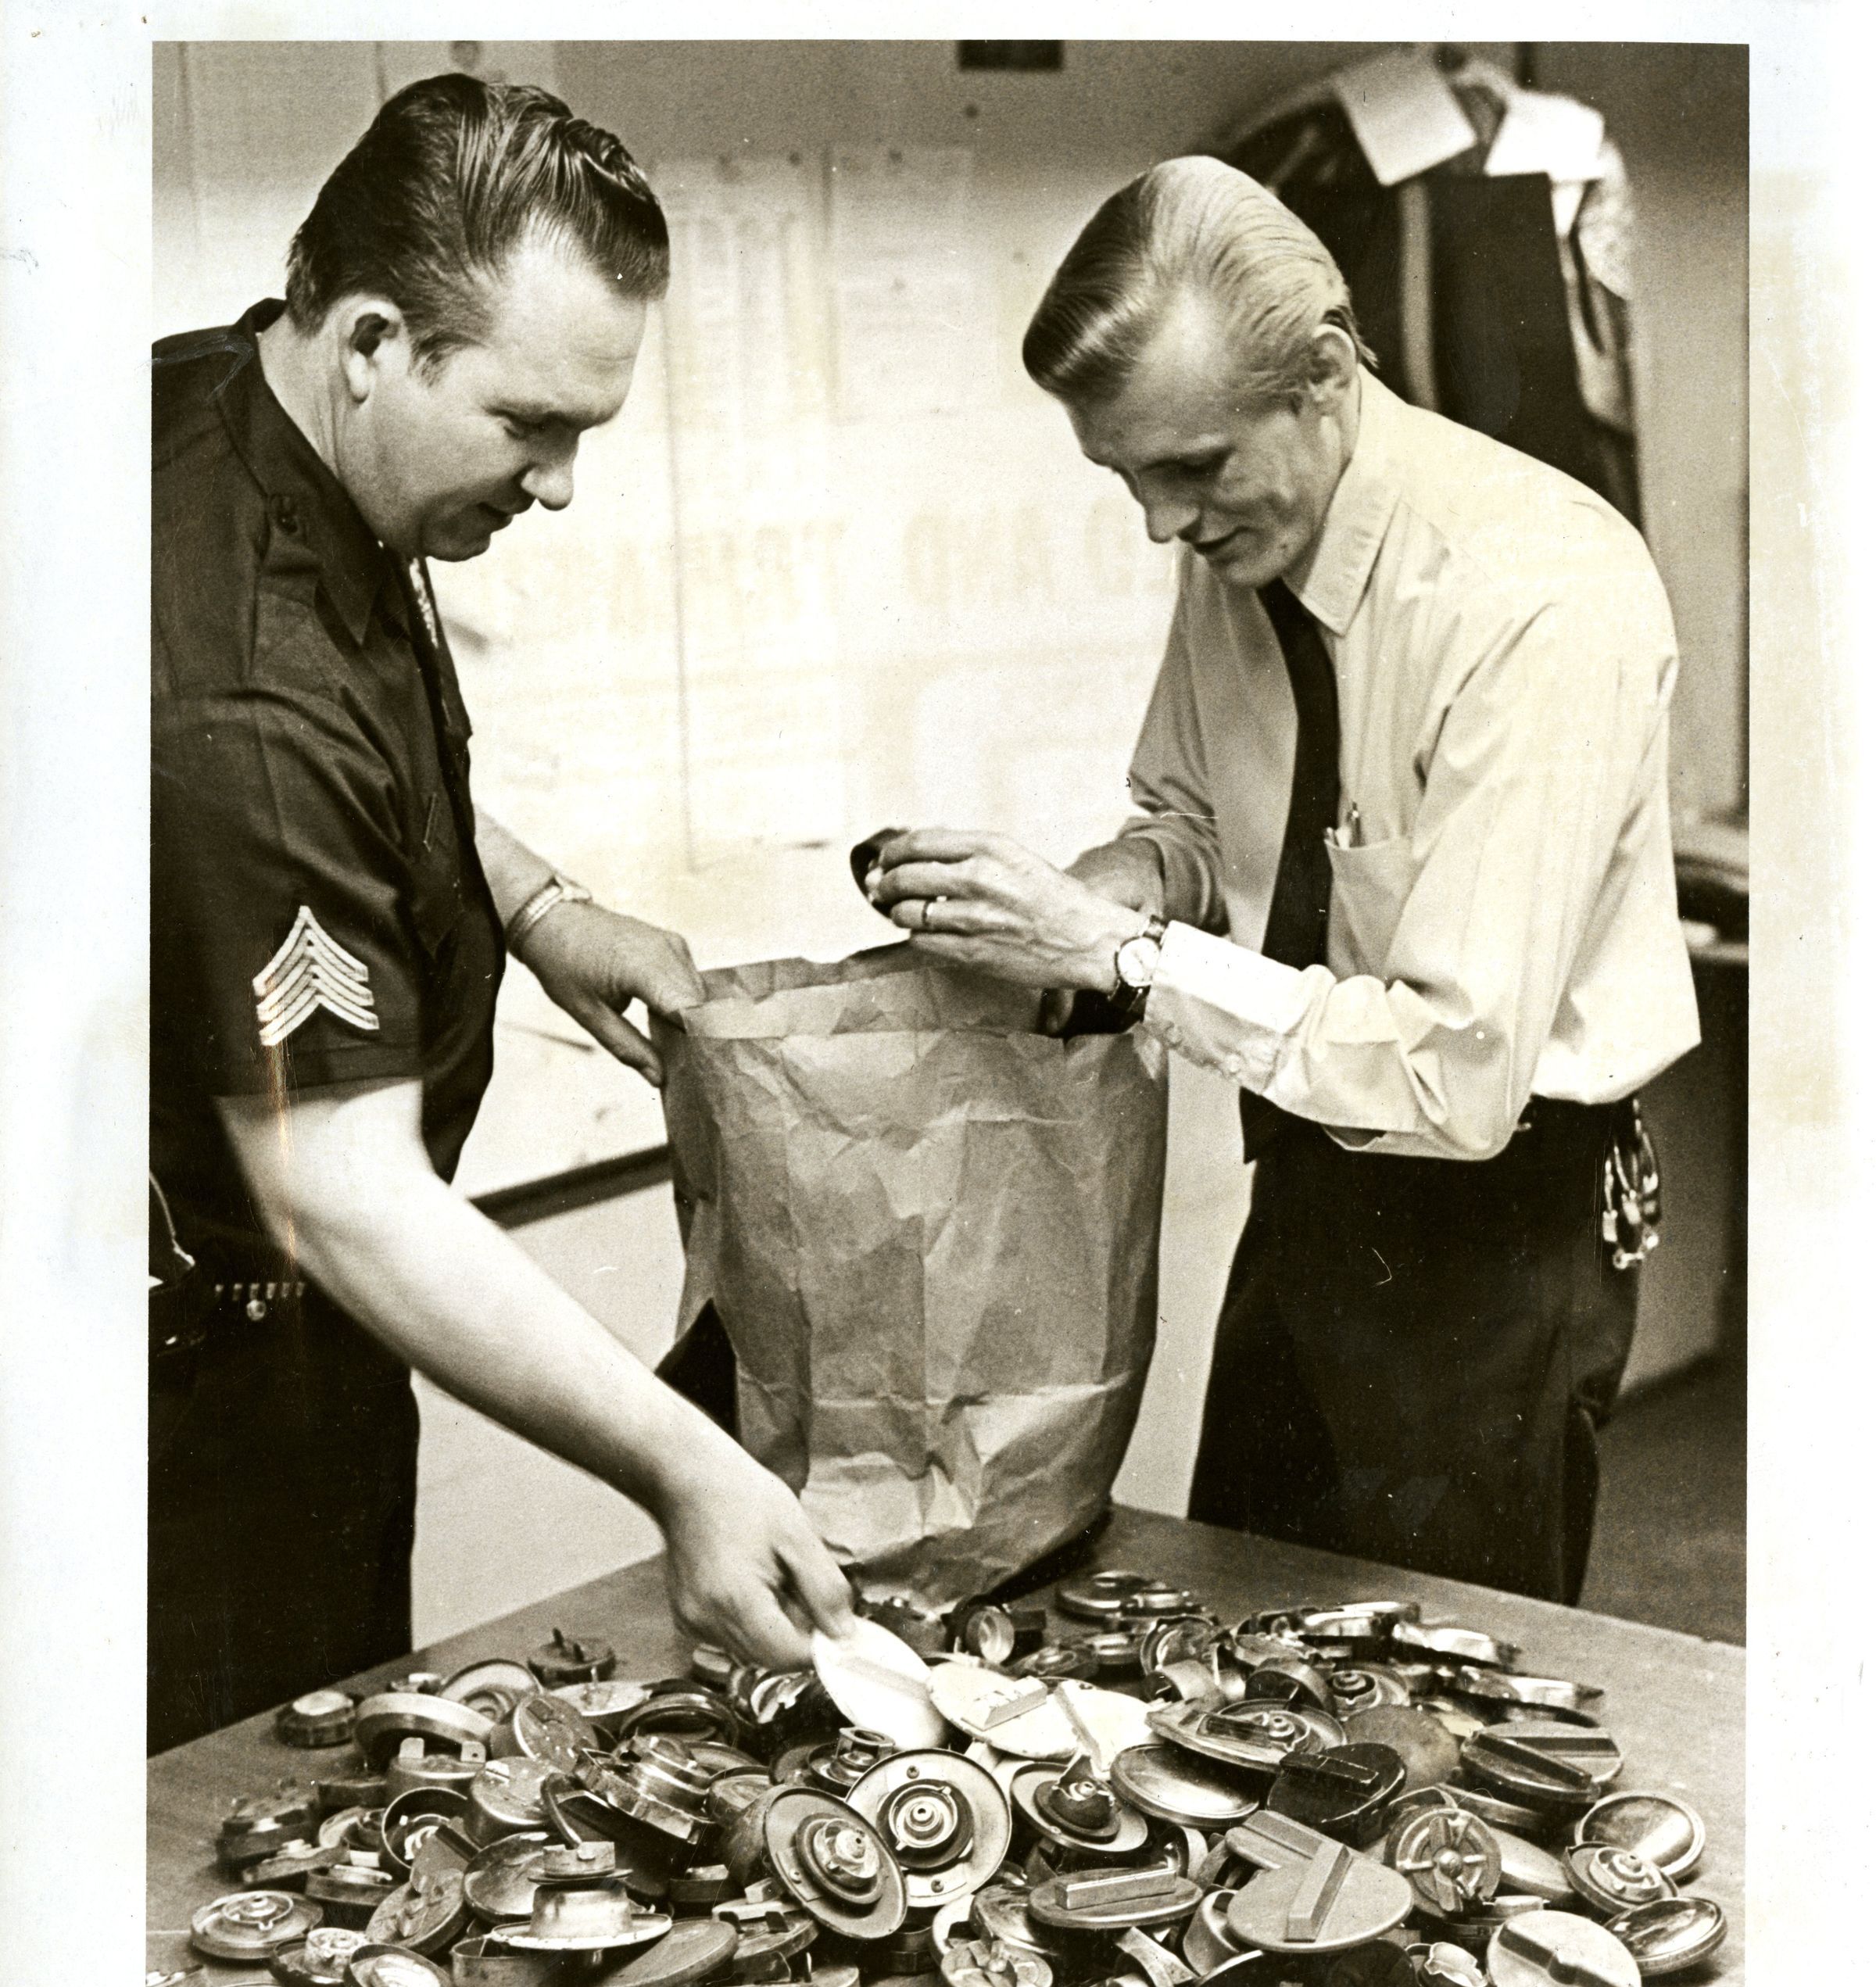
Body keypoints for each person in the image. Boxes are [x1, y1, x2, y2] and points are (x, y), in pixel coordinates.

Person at [865, 158, 1698, 1606]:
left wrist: (1122, 958)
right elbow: (1201, 823)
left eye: (1191, 468)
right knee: (1237, 1646)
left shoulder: (1538, 596)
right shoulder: (1243, 536)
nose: (1161, 525)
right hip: (1310, 1183)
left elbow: (1449, 1072)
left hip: (1496, 1225)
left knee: (1439, 1697)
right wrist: (1094, 895)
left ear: (1326, 371)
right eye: (1126, 475)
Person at [150, 73, 855, 1752]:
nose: (558, 488)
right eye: (531, 426)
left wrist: (530, 901)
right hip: (208, 1409)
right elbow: (343, 1190)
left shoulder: (232, 397)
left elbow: (347, 773)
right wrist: (687, 1470)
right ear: (372, 341)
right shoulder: (239, 688)